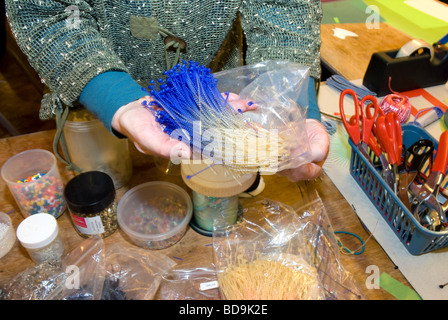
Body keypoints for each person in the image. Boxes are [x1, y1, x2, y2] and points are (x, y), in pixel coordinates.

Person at [5, 0, 329, 181]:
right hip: (96, 111)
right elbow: (48, 14)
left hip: (224, 104)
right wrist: (117, 99)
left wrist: (293, 108)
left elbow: (286, 10)